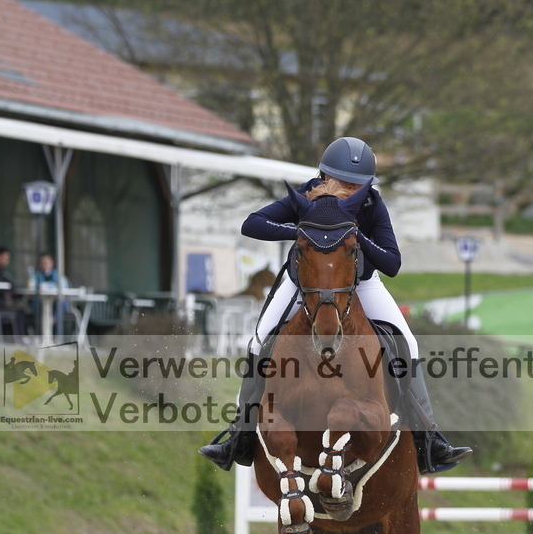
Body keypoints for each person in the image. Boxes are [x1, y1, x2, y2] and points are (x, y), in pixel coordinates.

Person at [200, 136, 472, 474]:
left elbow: (392, 262)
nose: (352, 189)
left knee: (408, 342)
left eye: (358, 183)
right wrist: (303, 232)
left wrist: (353, 236)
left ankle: (429, 438)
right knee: (258, 341)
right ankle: (239, 434)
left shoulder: (371, 203)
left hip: (360, 284)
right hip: (305, 284)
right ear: (325, 175)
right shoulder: (306, 195)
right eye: (345, 181)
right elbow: (251, 223)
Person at [0, 246, 29, 339]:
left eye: (8, 258)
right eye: (5, 258)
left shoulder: (2, 272)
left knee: (21, 305)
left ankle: (20, 337)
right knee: (20, 307)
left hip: (1, 301)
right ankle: (22, 337)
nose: (7, 260)